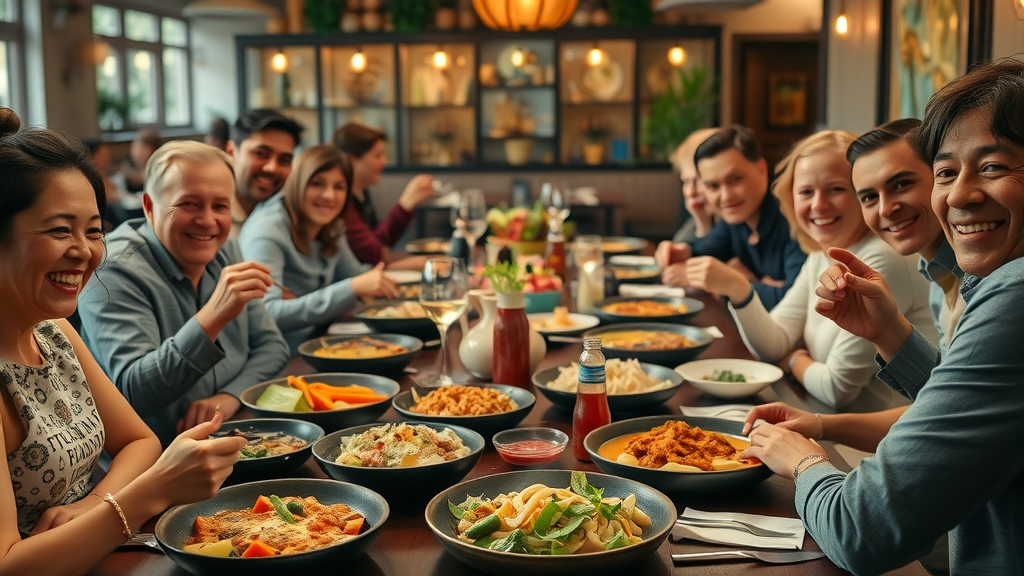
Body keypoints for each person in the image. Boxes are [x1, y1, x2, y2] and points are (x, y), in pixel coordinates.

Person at [743, 59, 1024, 574]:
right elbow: (962, 406)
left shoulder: (1013, 290)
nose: (960, 193)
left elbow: (860, 531)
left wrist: (804, 458)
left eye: (993, 166)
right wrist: (890, 332)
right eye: (947, 172)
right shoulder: (952, 273)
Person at [0, 107, 246, 576]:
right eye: (59, 230)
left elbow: (139, 440)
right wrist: (149, 492)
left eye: (94, 231)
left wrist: (96, 503)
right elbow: (9, 565)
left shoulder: (55, 333)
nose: (85, 252)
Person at [78, 141, 290, 446]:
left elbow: (272, 346)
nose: (207, 221)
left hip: (235, 436)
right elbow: (133, 393)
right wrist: (213, 316)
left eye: (220, 206)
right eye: (189, 204)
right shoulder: (112, 270)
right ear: (149, 207)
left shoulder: (225, 246)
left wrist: (229, 397)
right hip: (154, 461)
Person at [725, 130, 936, 410]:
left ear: (863, 193)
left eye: (835, 189)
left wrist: (793, 360)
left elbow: (835, 389)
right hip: (826, 421)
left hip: (869, 444)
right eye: (805, 192)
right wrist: (738, 289)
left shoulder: (881, 259)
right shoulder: (822, 254)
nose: (818, 205)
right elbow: (773, 344)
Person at [239, 145, 399, 353]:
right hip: (281, 356)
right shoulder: (266, 231)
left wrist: (379, 281)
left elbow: (354, 276)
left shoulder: (331, 225)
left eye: (339, 187)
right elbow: (267, 314)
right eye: (317, 184)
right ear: (297, 184)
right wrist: (352, 288)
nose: (329, 196)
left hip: (321, 342)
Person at [654, 125, 807, 310]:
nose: (726, 196)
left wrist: (730, 283)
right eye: (713, 186)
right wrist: (681, 252)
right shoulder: (735, 220)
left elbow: (794, 304)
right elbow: (699, 255)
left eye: (736, 179)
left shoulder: (794, 218)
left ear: (761, 169)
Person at [849, 118, 965, 354]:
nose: (885, 209)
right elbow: (943, 383)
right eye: (869, 197)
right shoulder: (936, 275)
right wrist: (885, 330)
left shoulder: (984, 275)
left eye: (901, 184)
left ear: (942, 176)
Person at [333, 122, 435, 266]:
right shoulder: (341, 201)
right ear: (353, 160)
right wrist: (404, 205)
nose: (384, 162)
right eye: (378, 156)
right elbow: (373, 253)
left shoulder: (361, 194)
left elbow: (379, 242)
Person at [225, 108, 304, 238]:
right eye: (261, 154)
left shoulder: (294, 219)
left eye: (284, 160)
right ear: (231, 151)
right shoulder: (212, 224)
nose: (272, 168)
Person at [669, 128, 718, 244]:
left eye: (698, 180)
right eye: (686, 181)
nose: (691, 191)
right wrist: (703, 223)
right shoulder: (700, 216)